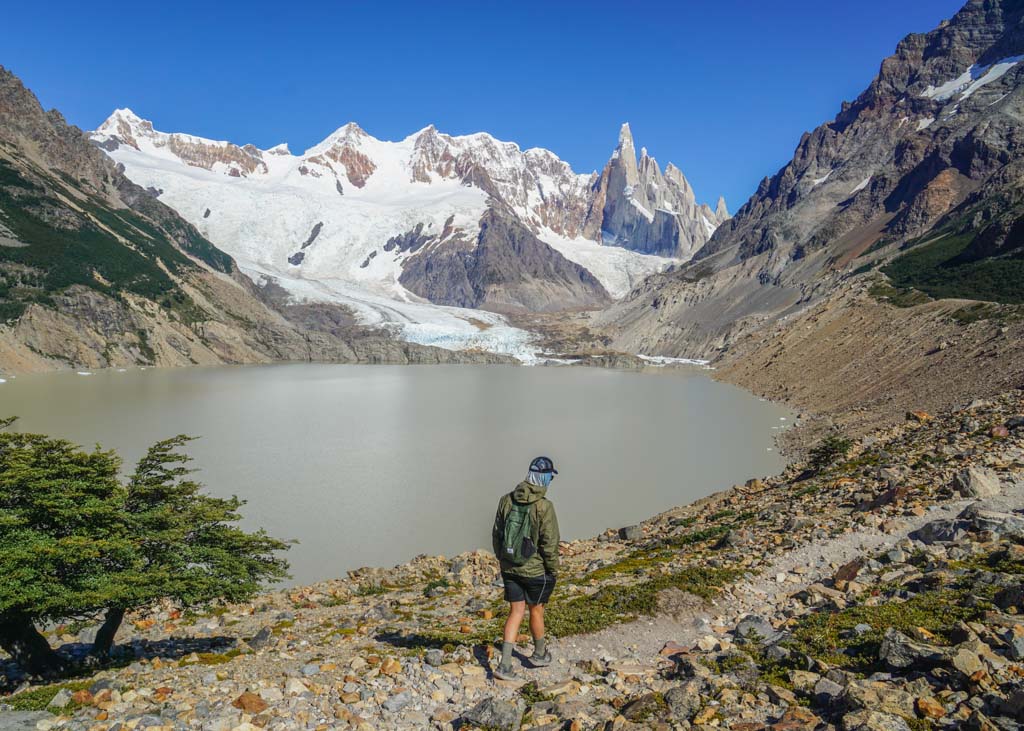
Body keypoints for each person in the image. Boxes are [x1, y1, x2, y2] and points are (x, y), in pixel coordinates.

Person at [491, 456, 560, 681]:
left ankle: (505, 666)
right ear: (546, 478)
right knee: (536, 610)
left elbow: (497, 534)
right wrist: (552, 570)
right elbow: (549, 543)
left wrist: (503, 561)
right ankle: (539, 654)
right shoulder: (544, 506)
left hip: (510, 568)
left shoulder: (506, 500)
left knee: (515, 612)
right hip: (535, 571)